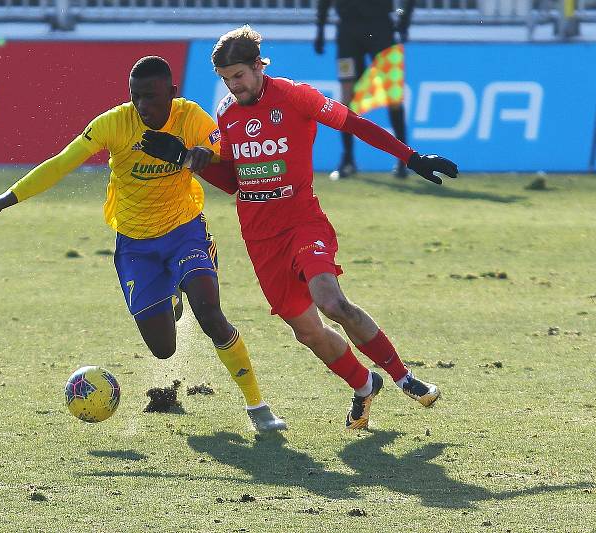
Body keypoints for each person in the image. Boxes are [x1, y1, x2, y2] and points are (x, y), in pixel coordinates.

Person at [139, 27, 457, 430]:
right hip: (259, 237)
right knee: (308, 332)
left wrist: (410, 157)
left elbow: (354, 124)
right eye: (225, 79)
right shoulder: (225, 114)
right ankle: (364, 385)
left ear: (258, 66)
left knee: (330, 302)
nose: (233, 86)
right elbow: (237, 183)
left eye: (238, 75)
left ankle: (404, 377)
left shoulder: (294, 96)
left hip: (302, 221)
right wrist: (188, 160)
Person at [0, 55, 286, 433]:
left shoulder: (190, 117)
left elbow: (226, 150)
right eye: (135, 97)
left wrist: (197, 155)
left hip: (184, 232)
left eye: (151, 97)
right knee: (164, 349)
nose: (142, 106)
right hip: (135, 246)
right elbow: (62, 162)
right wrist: (4, 199)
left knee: (210, 315)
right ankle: (172, 292)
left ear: (171, 94)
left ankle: (258, 407)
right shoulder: (114, 123)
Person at [315, 0, 415, 180]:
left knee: (393, 95)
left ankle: (404, 159)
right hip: (348, 31)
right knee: (347, 95)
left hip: (381, 28)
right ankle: (348, 160)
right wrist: (320, 28)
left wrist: (404, 18)